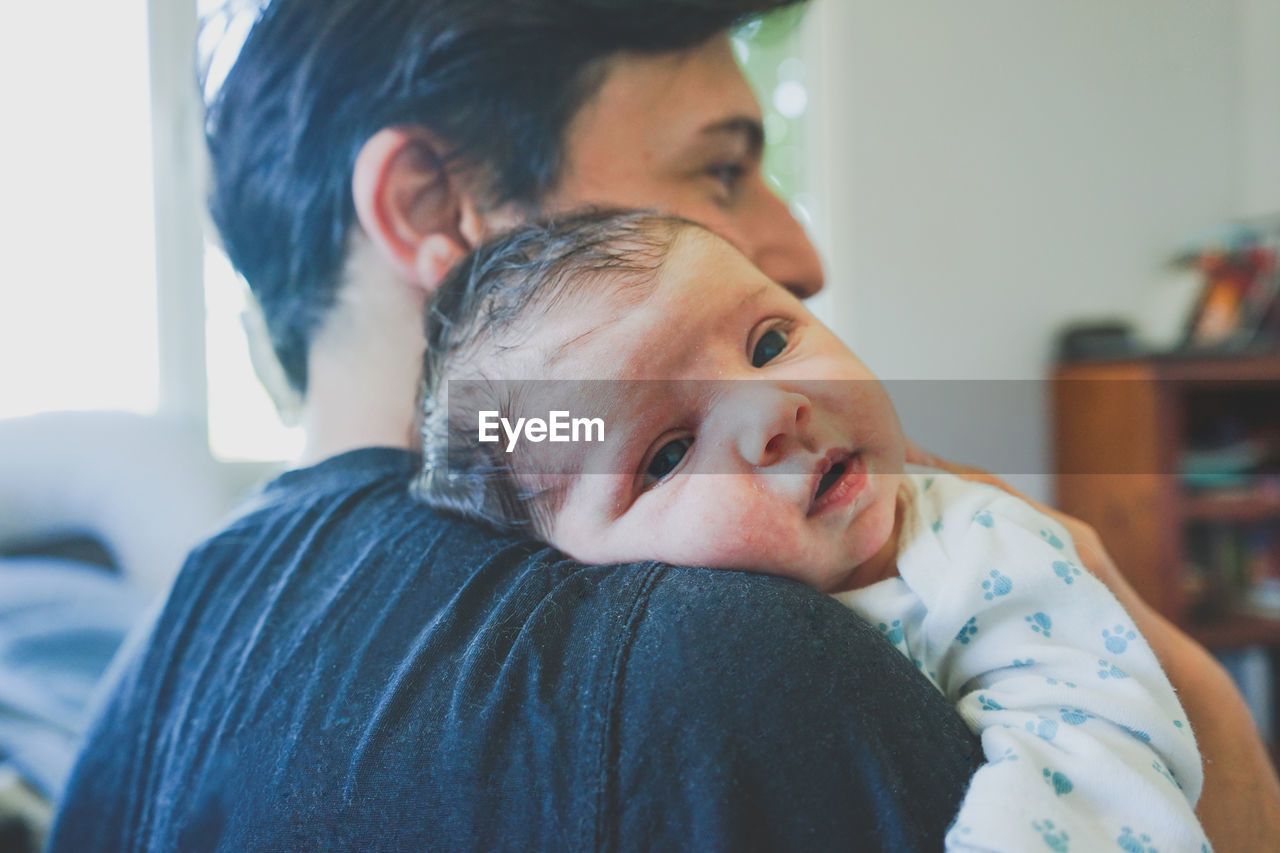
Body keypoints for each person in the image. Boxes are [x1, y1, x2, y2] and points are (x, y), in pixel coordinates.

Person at [47, 0, 1279, 849]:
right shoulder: (731, 658)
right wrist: (1204, 714)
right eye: (719, 169)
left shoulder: (157, 667)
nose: (800, 253)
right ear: (435, 201)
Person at [413, 209, 1211, 850]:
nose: (775, 409)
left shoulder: (978, 549)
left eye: (768, 342)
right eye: (666, 454)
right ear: (567, 573)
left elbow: (1103, 763)